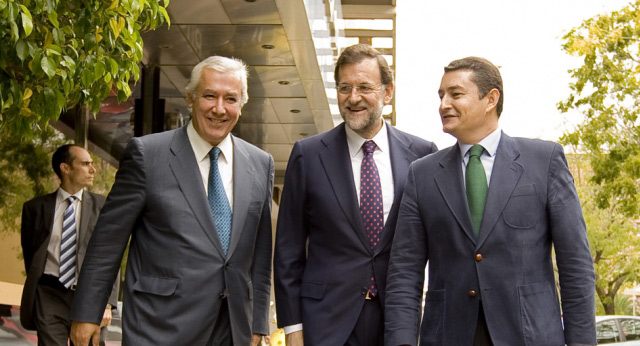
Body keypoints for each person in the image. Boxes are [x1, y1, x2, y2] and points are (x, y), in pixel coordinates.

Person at [384, 57, 596, 346]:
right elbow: (404, 274)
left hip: (531, 336)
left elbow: (576, 266)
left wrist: (582, 342)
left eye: (455, 94)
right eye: (441, 95)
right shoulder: (421, 174)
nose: (444, 104)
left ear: (490, 99)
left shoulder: (544, 161)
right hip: (448, 336)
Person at [69, 55, 274, 346]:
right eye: (209, 96)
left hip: (233, 328)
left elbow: (261, 254)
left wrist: (258, 322)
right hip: (160, 326)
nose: (219, 108)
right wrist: (88, 312)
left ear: (242, 104)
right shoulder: (147, 155)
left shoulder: (260, 163)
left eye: (230, 98)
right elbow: (108, 242)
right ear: (190, 98)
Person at [274, 44, 438, 346]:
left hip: (396, 322)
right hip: (325, 322)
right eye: (344, 88)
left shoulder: (422, 155)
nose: (353, 98)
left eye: (364, 87)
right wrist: (293, 327)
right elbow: (288, 251)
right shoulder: (308, 156)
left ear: (387, 93)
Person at [20, 144, 118, 346]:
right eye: (85, 164)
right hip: (49, 294)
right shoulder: (34, 209)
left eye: (92, 164)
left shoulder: (103, 207)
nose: (93, 169)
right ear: (65, 168)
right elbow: (32, 256)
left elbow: (111, 257)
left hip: (88, 297)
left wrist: (108, 304)